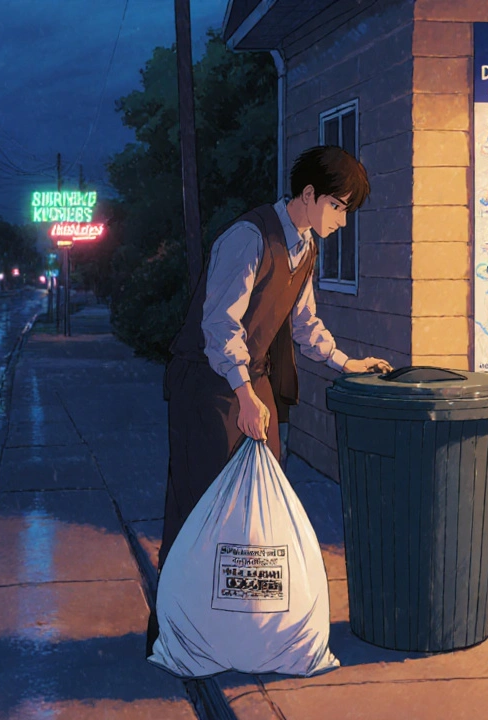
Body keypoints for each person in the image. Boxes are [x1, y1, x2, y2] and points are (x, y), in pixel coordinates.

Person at [147, 145, 393, 655]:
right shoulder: (247, 238)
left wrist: (347, 362)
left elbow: (303, 324)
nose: (343, 221)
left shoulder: (306, 247)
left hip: (248, 382)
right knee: (200, 512)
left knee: (256, 516)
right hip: (208, 385)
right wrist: (244, 394)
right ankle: (178, 634)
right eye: (340, 207)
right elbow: (219, 327)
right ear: (310, 195)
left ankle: (240, 632)